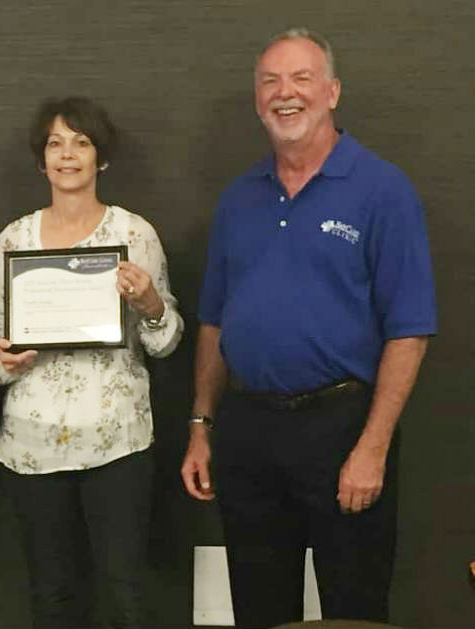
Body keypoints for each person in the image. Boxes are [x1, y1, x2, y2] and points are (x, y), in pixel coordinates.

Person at [180, 28, 436, 627]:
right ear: (257, 99)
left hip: (343, 429)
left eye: (301, 79)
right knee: (259, 608)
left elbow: (410, 329)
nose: (284, 94)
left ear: (332, 92)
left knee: (354, 608)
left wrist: (372, 448)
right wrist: (201, 424)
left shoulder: (382, 190)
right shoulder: (239, 199)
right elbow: (214, 321)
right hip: (247, 433)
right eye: (270, 82)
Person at [0, 96, 183, 627]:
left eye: (81, 142)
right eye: (55, 143)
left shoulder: (134, 235)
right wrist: (3, 354)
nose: (67, 155)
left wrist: (152, 306)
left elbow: (166, 343)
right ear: (41, 159)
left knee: (125, 593)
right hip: (32, 442)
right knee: (51, 596)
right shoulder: (14, 238)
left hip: (118, 442)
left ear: (102, 159)